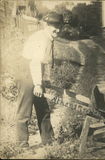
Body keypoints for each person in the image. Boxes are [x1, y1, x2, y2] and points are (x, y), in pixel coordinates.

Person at [15, 12, 63, 148]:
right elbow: (35, 62)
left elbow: (44, 61)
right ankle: (21, 144)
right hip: (26, 72)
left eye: (59, 26)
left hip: (35, 71)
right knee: (25, 110)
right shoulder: (41, 38)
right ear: (47, 25)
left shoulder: (48, 37)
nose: (58, 30)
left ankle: (48, 140)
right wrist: (37, 84)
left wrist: (44, 80)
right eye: (55, 26)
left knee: (43, 107)